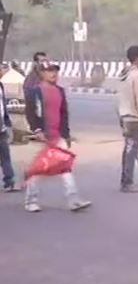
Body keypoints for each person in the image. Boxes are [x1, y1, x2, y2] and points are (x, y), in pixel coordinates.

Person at [23, 61, 91, 212]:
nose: (53, 74)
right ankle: (31, 201)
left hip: (57, 136)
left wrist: (66, 134)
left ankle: (73, 200)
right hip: (41, 137)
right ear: (41, 73)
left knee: (65, 167)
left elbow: (64, 113)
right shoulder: (35, 91)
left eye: (55, 70)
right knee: (37, 170)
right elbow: (30, 112)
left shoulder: (60, 91)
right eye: (49, 71)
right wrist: (37, 129)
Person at [118, 46, 138, 193]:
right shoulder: (136, 76)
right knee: (131, 151)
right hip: (134, 119)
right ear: (137, 58)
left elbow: (118, 99)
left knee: (128, 150)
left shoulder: (124, 75)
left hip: (125, 117)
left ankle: (125, 180)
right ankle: (128, 182)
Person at [0, 77, 17, 192]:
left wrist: (7, 122)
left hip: (1, 128)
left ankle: (9, 181)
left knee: (5, 155)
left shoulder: (0, 85)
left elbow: (3, 106)